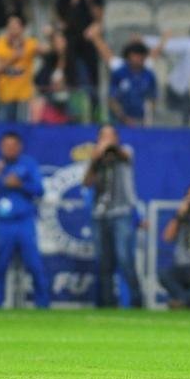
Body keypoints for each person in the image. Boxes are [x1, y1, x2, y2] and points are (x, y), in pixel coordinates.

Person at [0, 131, 49, 308]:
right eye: (6, 146)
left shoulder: (28, 164)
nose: (9, 149)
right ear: (0, 147)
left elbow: (39, 190)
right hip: (3, 223)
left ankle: (43, 304)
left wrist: (20, 185)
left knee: (34, 265)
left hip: (25, 221)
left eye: (13, 146)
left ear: (19, 147)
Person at [84, 125, 144, 308]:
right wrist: (95, 159)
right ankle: (107, 304)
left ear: (117, 138)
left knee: (125, 259)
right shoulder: (96, 158)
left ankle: (137, 302)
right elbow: (86, 182)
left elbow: (125, 156)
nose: (107, 140)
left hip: (121, 213)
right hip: (99, 214)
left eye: (110, 136)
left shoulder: (125, 152)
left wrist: (110, 147)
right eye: (103, 136)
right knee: (104, 262)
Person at [54, 0, 105, 105]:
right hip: (70, 38)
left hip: (89, 39)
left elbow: (99, 17)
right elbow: (61, 18)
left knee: (91, 76)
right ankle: (72, 105)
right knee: (72, 74)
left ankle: (93, 104)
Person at [88, 27, 157, 127]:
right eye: (135, 55)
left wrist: (147, 118)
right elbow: (112, 99)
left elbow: (153, 98)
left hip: (142, 121)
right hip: (120, 121)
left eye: (140, 56)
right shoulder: (119, 70)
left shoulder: (149, 74)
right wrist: (123, 117)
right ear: (128, 56)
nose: (137, 59)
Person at [0, 14, 39, 122]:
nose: (12, 30)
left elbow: (47, 49)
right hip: (4, 97)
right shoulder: (0, 43)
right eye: (10, 27)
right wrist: (12, 58)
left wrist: (51, 35)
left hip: (23, 99)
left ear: (22, 29)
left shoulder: (30, 43)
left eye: (15, 27)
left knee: (21, 129)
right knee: (1, 128)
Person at [33, 28, 80, 123]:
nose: (59, 45)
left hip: (68, 96)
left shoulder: (73, 61)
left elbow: (77, 82)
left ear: (66, 42)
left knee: (73, 103)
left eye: (61, 41)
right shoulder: (49, 60)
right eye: (56, 42)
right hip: (51, 96)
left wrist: (64, 85)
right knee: (37, 103)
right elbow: (38, 80)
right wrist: (51, 85)